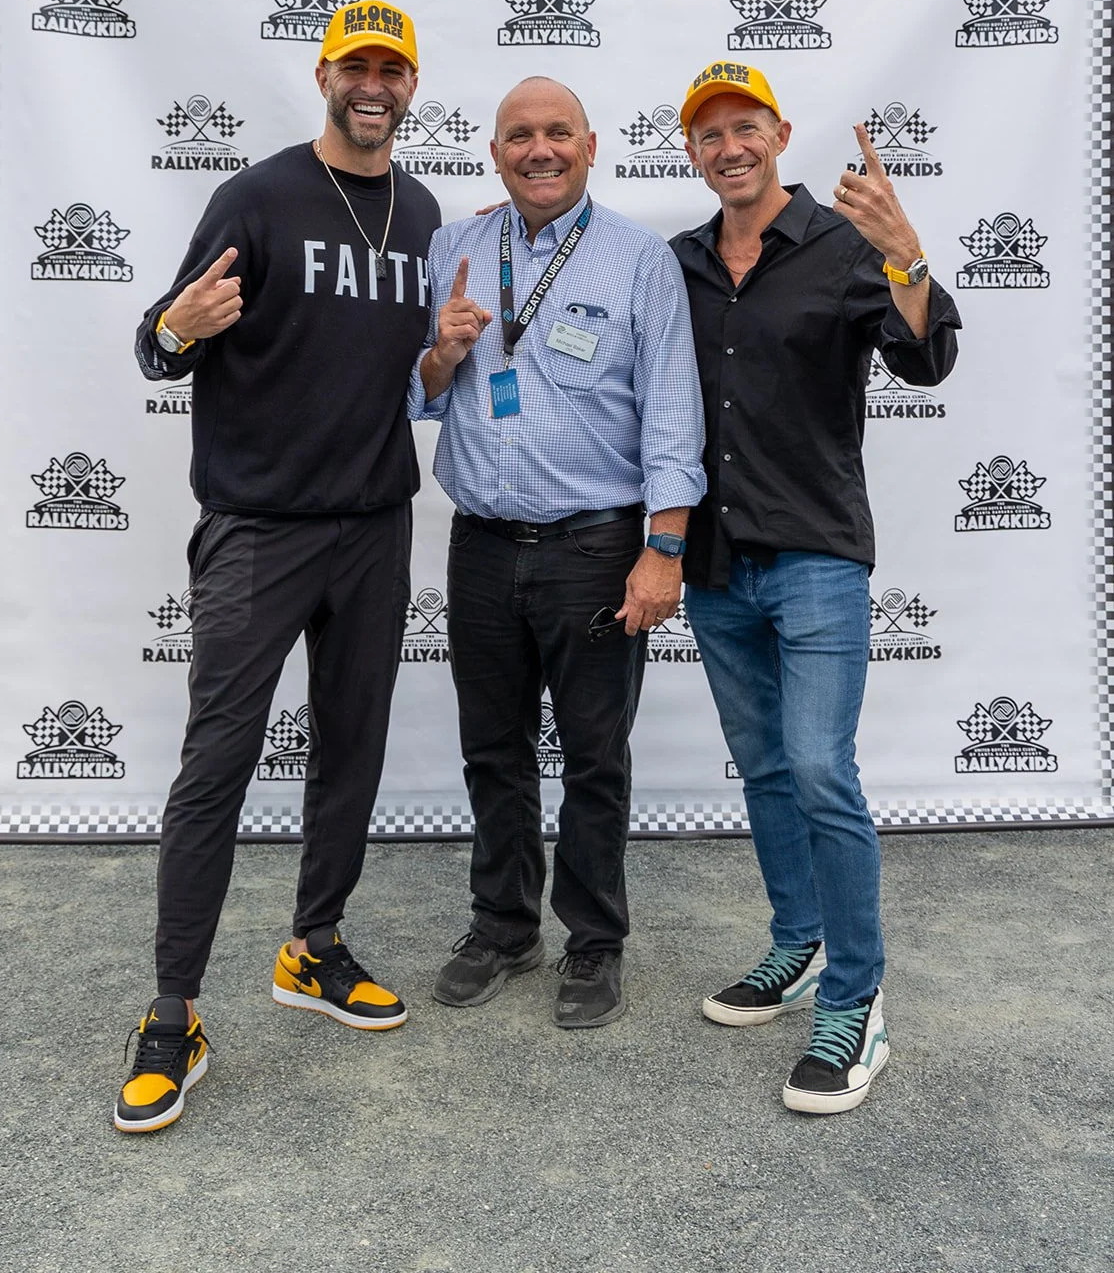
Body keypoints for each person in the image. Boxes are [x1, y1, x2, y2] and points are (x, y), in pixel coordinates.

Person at [116, 0, 440, 1133]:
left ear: (410, 87)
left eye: (391, 70)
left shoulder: (425, 210)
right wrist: (179, 324)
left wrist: (444, 364)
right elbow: (157, 343)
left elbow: (410, 376)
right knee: (218, 761)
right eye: (357, 64)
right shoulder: (254, 197)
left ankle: (315, 946)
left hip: (376, 527)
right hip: (257, 528)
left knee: (350, 747)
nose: (373, 84)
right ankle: (172, 1012)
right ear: (324, 74)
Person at [670, 61, 961, 1114]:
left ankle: (857, 996)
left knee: (818, 768)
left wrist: (906, 253)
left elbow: (927, 360)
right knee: (761, 767)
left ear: (779, 134)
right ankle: (795, 943)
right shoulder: (682, 264)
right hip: (713, 565)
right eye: (710, 133)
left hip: (818, 558)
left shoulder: (845, 251)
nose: (730, 145)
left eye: (747, 126)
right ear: (690, 150)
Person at [409, 76, 705, 1028]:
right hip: (482, 545)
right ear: (493, 153)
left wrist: (663, 551)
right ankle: (502, 926)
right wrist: (443, 357)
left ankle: (594, 941)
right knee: (492, 750)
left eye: (557, 134)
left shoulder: (638, 260)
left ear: (590, 145)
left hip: (595, 543)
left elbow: (671, 414)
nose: (540, 150)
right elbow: (416, 395)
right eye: (519, 136)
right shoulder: (454, 247)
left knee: (593, 756)